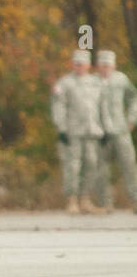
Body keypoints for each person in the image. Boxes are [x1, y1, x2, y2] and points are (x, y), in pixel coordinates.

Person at [52, 49, 105, 215]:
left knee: (91, 164)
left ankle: (85, 200)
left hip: (92, 130)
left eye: (82, 64)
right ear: (72, 64)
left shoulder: (96, 83)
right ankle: (72, 200)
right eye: (76, 64)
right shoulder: (65, 83)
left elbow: (102, 107)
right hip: (72, 131)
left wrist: (105, 128)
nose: (79, 67)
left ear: (88, 65)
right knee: (73, 166)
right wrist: (61, 128)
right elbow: (58, 106)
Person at [95, 50, 137, 213]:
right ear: (98, 66)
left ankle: (135, 200)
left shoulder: (121, 80)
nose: (105, 68)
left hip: (121, 130)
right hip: (101, 133)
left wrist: (132, 119)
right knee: (101, 169)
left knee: (129, 166)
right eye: (102, 65)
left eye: (108, 65)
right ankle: (106, 203)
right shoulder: (91, 82)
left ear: (113, 65)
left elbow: (133, 97)